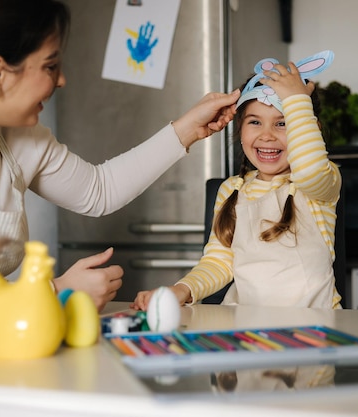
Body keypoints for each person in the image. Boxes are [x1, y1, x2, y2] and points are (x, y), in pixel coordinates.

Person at [0, 0, 239, 324]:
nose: (61, 81)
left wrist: (188, 129)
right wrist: (55, 291)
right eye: (50, 66)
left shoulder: (15, 135)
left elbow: (99, 191)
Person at [132, 58, 342, 310]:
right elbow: (220, 261)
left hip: (314, 329)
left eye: (282, 123)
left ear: (308, 128)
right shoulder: (231, 190)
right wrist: (183, 289)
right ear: (240, 129)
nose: (267, 135)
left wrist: (297, 102)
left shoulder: (321, 183)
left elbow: (309, 167)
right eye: (255, 122)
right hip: (245, 326)